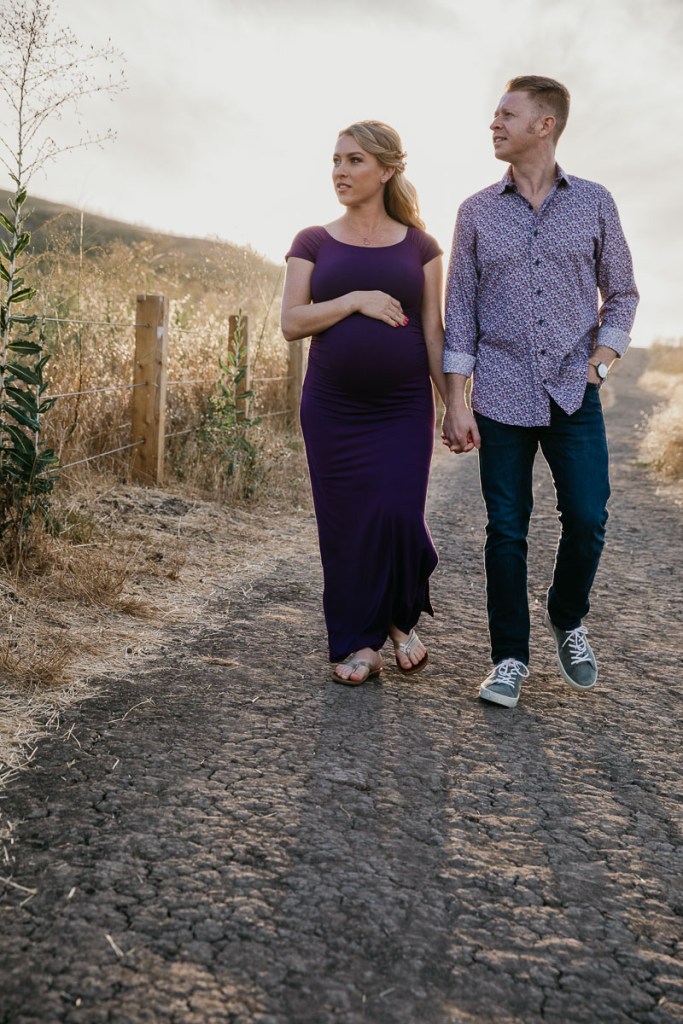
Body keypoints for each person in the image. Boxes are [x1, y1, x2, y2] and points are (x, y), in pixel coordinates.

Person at [441, 76, 639, 709]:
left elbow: (622, 293)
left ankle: (566, 614)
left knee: (588, 517)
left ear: (544, 124)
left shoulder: (595, 202)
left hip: (572, 393)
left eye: (507, 114)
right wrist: (455, 401)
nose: (494, 124)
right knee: (506, 529)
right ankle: (508, 659)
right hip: (499, 393)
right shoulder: (476, 212)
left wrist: (600, 364)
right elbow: (459, 313)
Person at [281, 120, 447, 685]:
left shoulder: (421, 246)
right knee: (345, 524)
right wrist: (354, 299)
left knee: (399, 513)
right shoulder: (313, 241)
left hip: (403, 406)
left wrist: (455, 403)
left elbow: (433, 333)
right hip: (333, 408)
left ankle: (399, 614)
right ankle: (359, 642)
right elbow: (291, 322)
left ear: (387, 169)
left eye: (354, 160)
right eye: (336, 160)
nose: (340, 171)